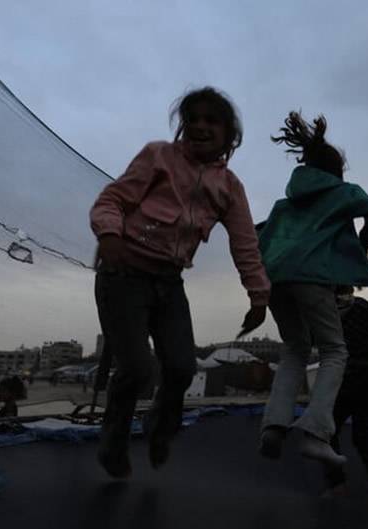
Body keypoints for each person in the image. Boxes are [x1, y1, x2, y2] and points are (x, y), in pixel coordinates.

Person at [89, 87, 270, 479]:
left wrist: (259, 295)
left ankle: (160, 425)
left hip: (169, 283)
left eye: (212, 121)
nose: (201, 126)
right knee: (138, 368)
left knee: (182, 367)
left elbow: (245, 242)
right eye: (193, 119)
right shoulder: (158, 156)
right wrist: (110, 235)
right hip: (123, 275)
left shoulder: (230, 187)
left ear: (229, 134)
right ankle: (114, 439)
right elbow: (111, 200)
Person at [258, 111, 368, 467]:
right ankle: (316, 432)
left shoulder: (285, 205)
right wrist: (367, 241)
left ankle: (274, 425)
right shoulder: (342, 192)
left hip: (274, 278)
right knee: (334, 350)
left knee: (295, 348)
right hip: (312, 277)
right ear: (336, 171)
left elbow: (262, 234)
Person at [321, 287, 368, 501]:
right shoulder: (362, 306)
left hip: (343, 380)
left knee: (326, 433)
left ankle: (337, 485)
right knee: (364, 437)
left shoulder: (325, 311)